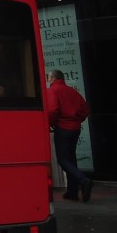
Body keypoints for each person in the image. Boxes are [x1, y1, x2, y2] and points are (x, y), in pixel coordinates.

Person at [46, 70, 93, 201]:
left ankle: (83, 180)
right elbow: (85, 109)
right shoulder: (72, 91)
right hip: (75, 128)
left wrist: (51, 123)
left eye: (49, 78)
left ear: (53, 78)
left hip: (62, 128)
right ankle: (72, 191)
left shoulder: (53, 91)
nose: (48, 80)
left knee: (63, 159)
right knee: (71, 158)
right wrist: (77, 120)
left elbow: (51, 110)